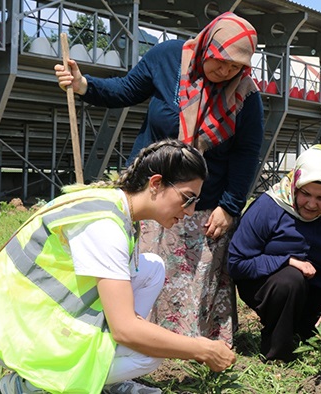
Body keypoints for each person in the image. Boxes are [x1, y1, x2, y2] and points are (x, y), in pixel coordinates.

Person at [0, 140, 236, 394]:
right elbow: (126, 330)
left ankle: (105, 378)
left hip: (22, 311)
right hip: (13, 328)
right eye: (187, 198)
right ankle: (31, 385)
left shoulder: (113, 205)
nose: (189, 211)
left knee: (151, 267)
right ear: (156, 183)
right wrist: (201, 348)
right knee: (148, 354)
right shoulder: (104, 226)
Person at [54, 12, 264, 345]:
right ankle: (129, 337)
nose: (224, 72)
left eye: (235, 67)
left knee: (193, 279)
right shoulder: (168, 59)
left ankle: (192, 344)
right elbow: (124, 91)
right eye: (219, 61)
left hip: (205, 206)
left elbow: (247, 153)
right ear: (206, 45)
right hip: (151, 194)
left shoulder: (246, 95)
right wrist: (83, 85)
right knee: (136, 271)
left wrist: (230, 205)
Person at [227, 145, 321, 361]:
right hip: (272, 289)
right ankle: (277, 351)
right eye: (305, 193)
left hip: (317, 293)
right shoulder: (268, 207)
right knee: (290, 280)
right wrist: (285, 261)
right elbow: (236, 263)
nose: (312, 204)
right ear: (294, 184)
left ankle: (306, 334)